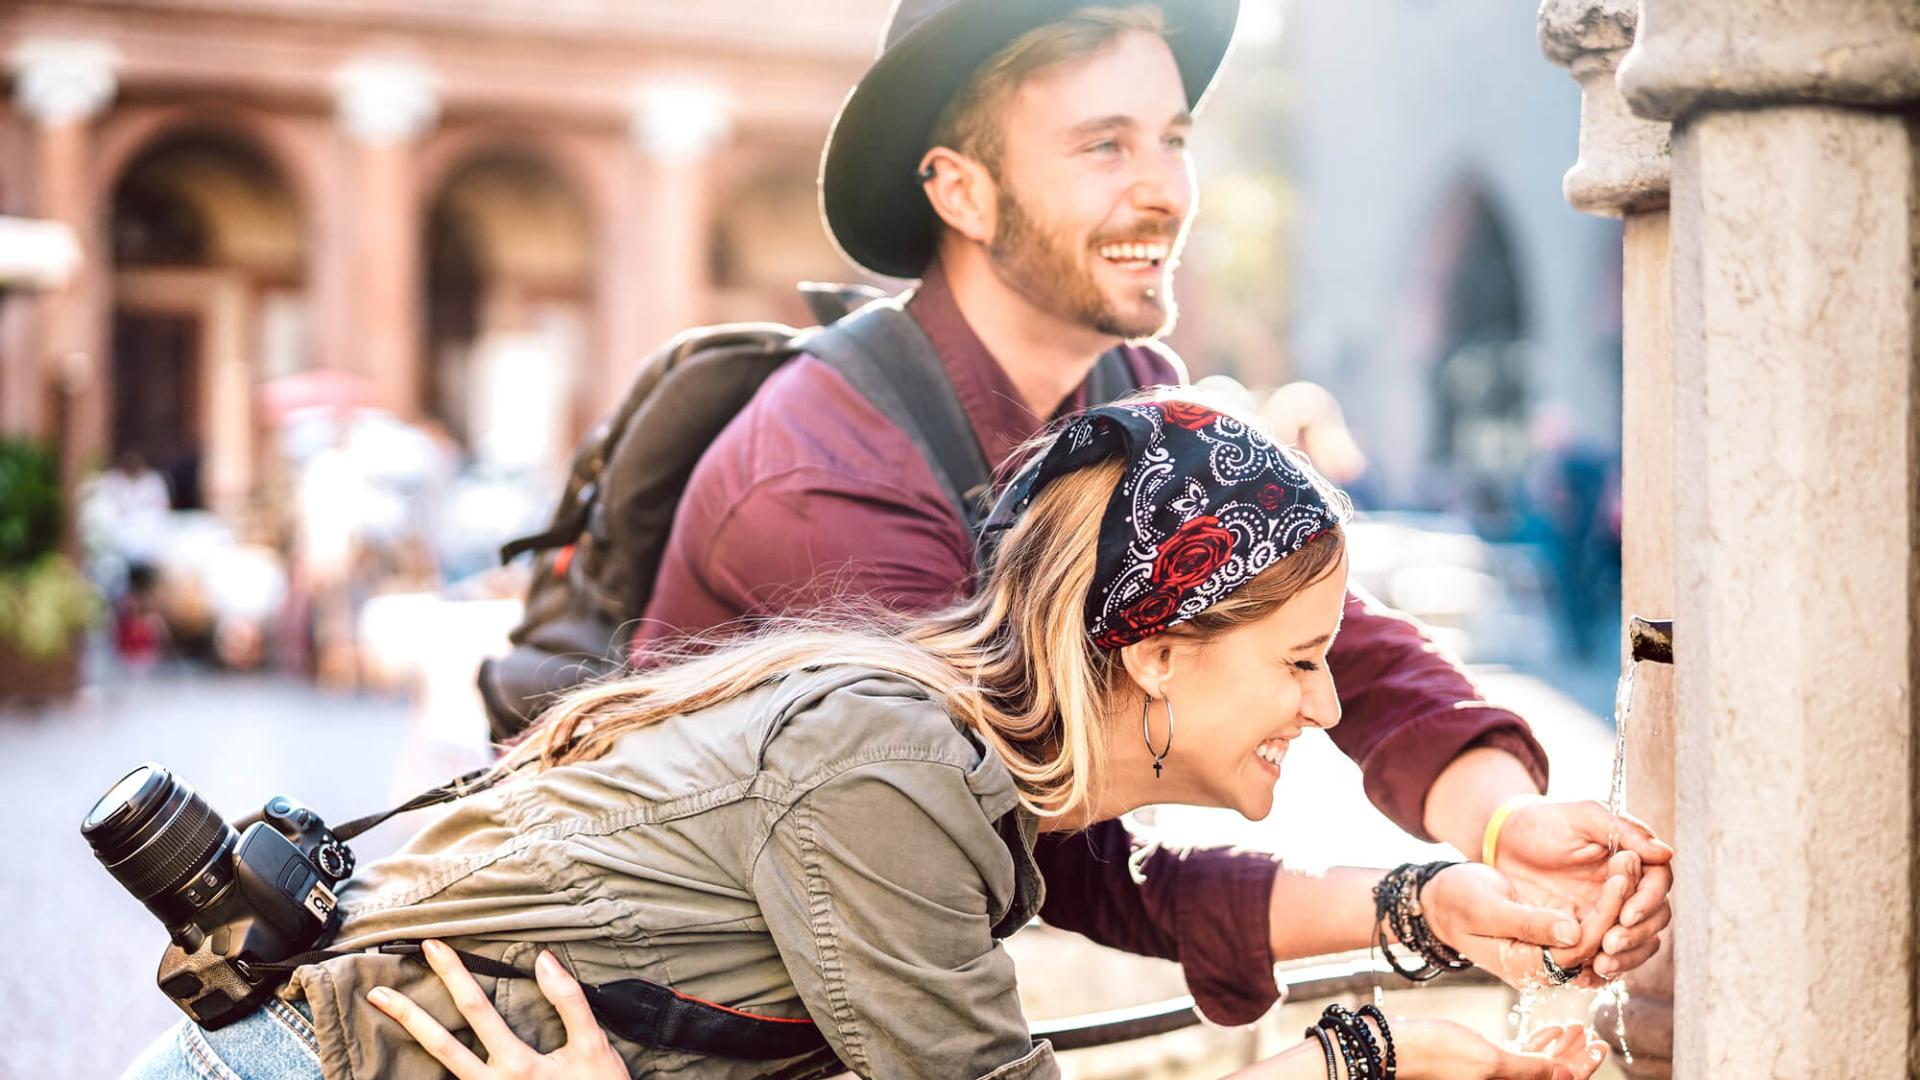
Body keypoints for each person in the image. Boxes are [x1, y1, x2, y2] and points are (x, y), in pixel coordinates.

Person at [630, 0, 1673, 1025]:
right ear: (961, 190)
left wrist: (1505, 828)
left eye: (1171, 139)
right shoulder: (827, 483)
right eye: (1103, 146)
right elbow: (1057, 862)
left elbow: (1334, 642)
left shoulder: (1125, 394)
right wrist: (1425, 904)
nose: (1165, 190)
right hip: (670, 1016)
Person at [123, 394, 1616, 1079]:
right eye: (1299, 661)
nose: (1330, 703)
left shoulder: (962, 765)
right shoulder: (893, 767)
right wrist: (1367, 1057)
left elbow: (1136, 908)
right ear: (1156, 655)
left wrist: (1425, 905)